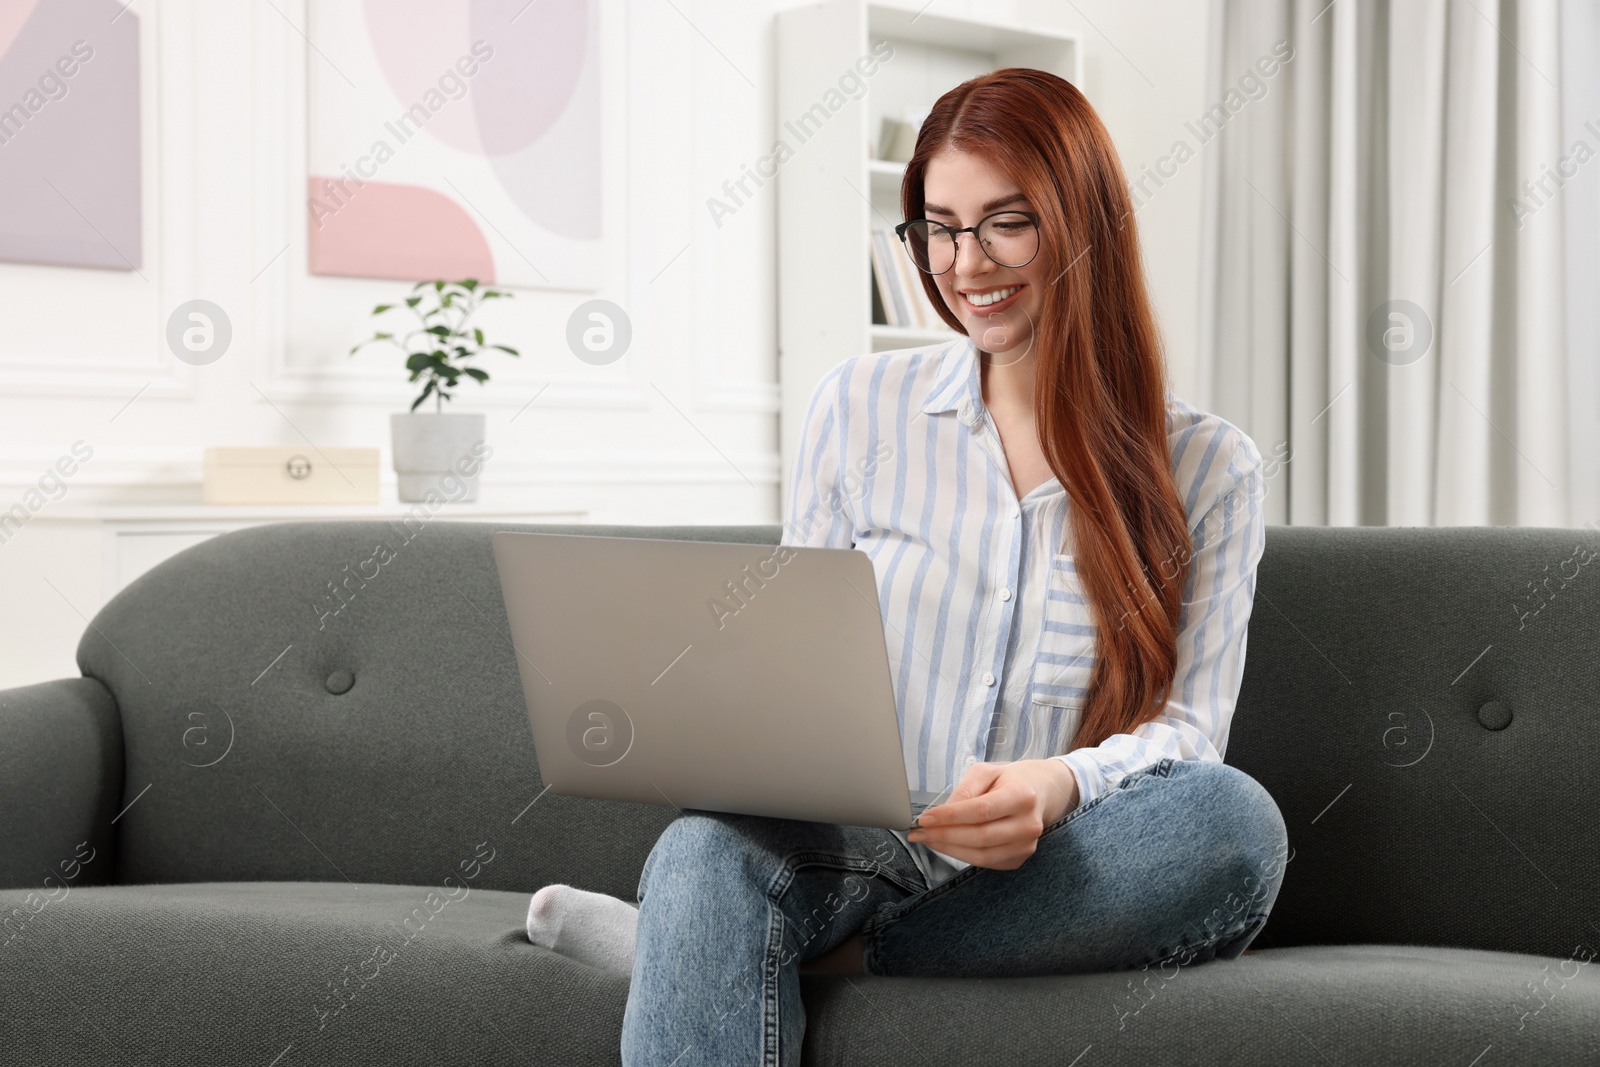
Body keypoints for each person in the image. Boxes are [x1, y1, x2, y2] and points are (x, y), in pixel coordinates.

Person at [526, 67, 1290, 1065]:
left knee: (1236, 826)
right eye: (938, 226)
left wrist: (1055, 785)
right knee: (702, 847)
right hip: (852, 850)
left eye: (1005, 222)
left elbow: (1190, 732)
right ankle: (728, 930)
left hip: (1049, 868)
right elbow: (791, 660)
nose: (965, 263)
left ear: (1084, 221)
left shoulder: (1209, 465)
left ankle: (761, 959)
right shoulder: (858, 406)